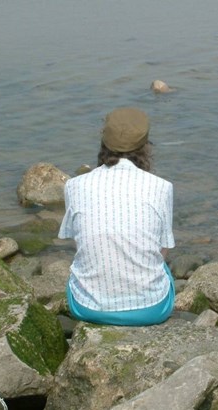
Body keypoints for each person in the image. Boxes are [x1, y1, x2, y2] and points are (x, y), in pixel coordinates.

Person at [59, 107, 176, 326]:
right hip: (151, 309)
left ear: (103, 141)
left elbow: (79, 244)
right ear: (146, 146)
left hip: (87, 307)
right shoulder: (162, 187)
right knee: (164, 269)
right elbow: (163, 249)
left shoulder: (74, 186)